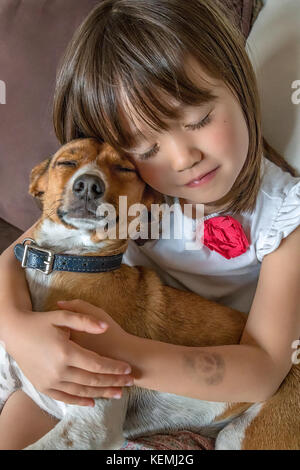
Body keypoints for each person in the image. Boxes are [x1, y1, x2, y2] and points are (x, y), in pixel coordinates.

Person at [0, 0, 299, 450]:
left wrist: (122, 353)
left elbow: (266, 371)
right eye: (143, 148)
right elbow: (21, 252)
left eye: (198, 120)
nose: (184, 158)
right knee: (26, 406)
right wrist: (16, 327)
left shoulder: (285, 216)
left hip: (236, 379)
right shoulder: (131, 193)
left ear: (240, 85)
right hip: (122, 340)